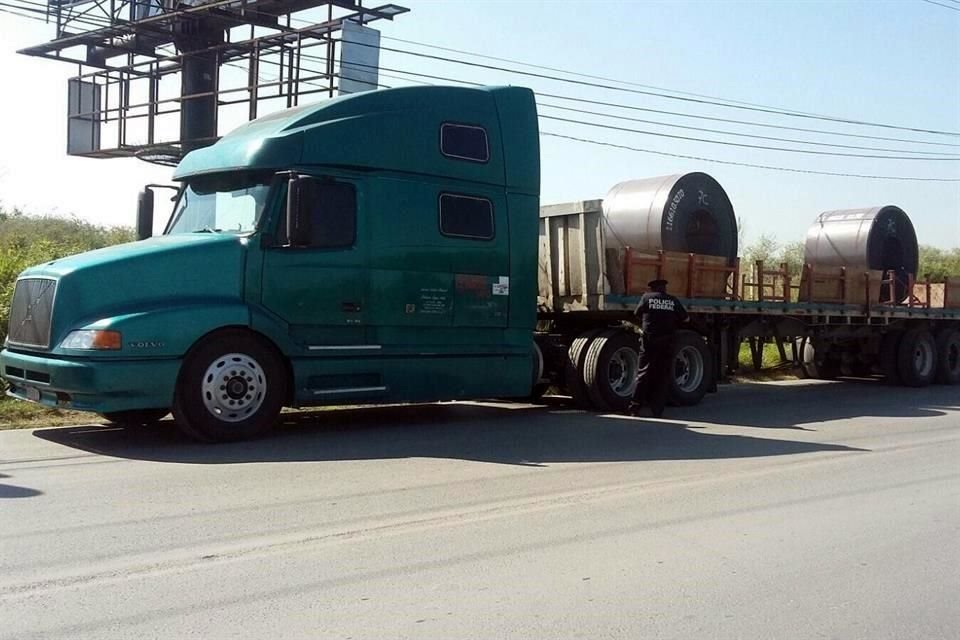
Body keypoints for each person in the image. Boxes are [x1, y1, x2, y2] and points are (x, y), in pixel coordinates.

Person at [628, 279, 689, 418]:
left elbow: (637, 313)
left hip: (649, 340)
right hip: (667, 341)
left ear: (652, 288)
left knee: (643, 372)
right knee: (662, 374)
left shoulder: (646, 298)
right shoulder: (672, 300)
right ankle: (657, 410)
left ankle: (634, 407)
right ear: (664, 288)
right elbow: (685, 319)